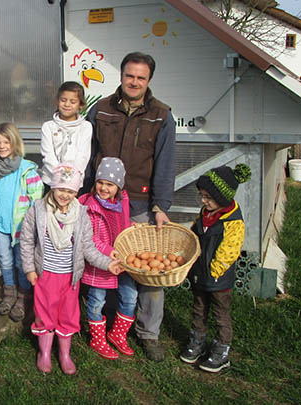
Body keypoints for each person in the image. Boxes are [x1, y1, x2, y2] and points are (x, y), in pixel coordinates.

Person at [86, 51, 176, 361]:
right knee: (103, 261)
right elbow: (88, 153)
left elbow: (165, 164)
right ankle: (108, 324)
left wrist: (160, 205)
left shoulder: (161, 115)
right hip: (102, 202)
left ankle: (148, 332)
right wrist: (84, 195)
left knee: (145, 271)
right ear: (121, 75)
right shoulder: (100, 109)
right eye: (129, 75)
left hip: (138, 203)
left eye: (141, 77)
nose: (134, 82)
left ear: (149, 80)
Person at [20, 163, 122, 375]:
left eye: (70, 191)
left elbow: (89, 248)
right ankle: (44, 353)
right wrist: (29, 268)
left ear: (76, 192)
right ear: (52, 188)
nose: (64, 195)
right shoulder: (38, 210)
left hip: (69, 277)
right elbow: (27, 240)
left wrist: (108, 264)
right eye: (60, 189)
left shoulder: (81, 215)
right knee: (44, 314)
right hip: (45, 274)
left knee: (68, 315)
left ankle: (64, 354)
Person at [180, 164, 251, 373]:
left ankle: (221, 350)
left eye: (208, 197)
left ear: (222, 198)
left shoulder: (232, 222)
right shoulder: (204, 214)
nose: (203, 201)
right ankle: (197, 342)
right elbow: (193, 235)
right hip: (200, 274)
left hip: (218, 279)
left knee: (221, 314)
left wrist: (214, 271)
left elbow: (230, 250)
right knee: (199, 309)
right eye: (202, 196)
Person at [0, 123, 43, 322]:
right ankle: (9, 295)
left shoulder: (27, 170)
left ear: (14, 143)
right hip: (0, 226)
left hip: (21, 228)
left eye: (6, 141)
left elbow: (37, 201)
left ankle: (23, 298)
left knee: (21, 261)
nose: (2, 146)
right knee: (5, 261)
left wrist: (34, 226)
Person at [78, 157, 137, 360]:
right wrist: (107, 249)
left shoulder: (121, 202)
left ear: (118, 186)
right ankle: (97, 338)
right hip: (100, 262)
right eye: (100, 182)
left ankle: (117, 334)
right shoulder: (89, 205)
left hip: (122, 259)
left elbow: (122, 225)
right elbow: (90, 237)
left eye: (110, 184)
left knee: (130, 296)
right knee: (96, 300)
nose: (104, 188)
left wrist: (131, 228)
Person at [40, 81, 92, 191]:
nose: (67, 104)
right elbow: (48, 155)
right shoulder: (48, 126)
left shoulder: (86, 127)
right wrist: (60, 174)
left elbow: (83, 156)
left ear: (81, 105)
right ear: (57, 101)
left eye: (73, 102)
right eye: (63, 100)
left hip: (74, 183)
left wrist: (71, 176)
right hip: (51, 181)